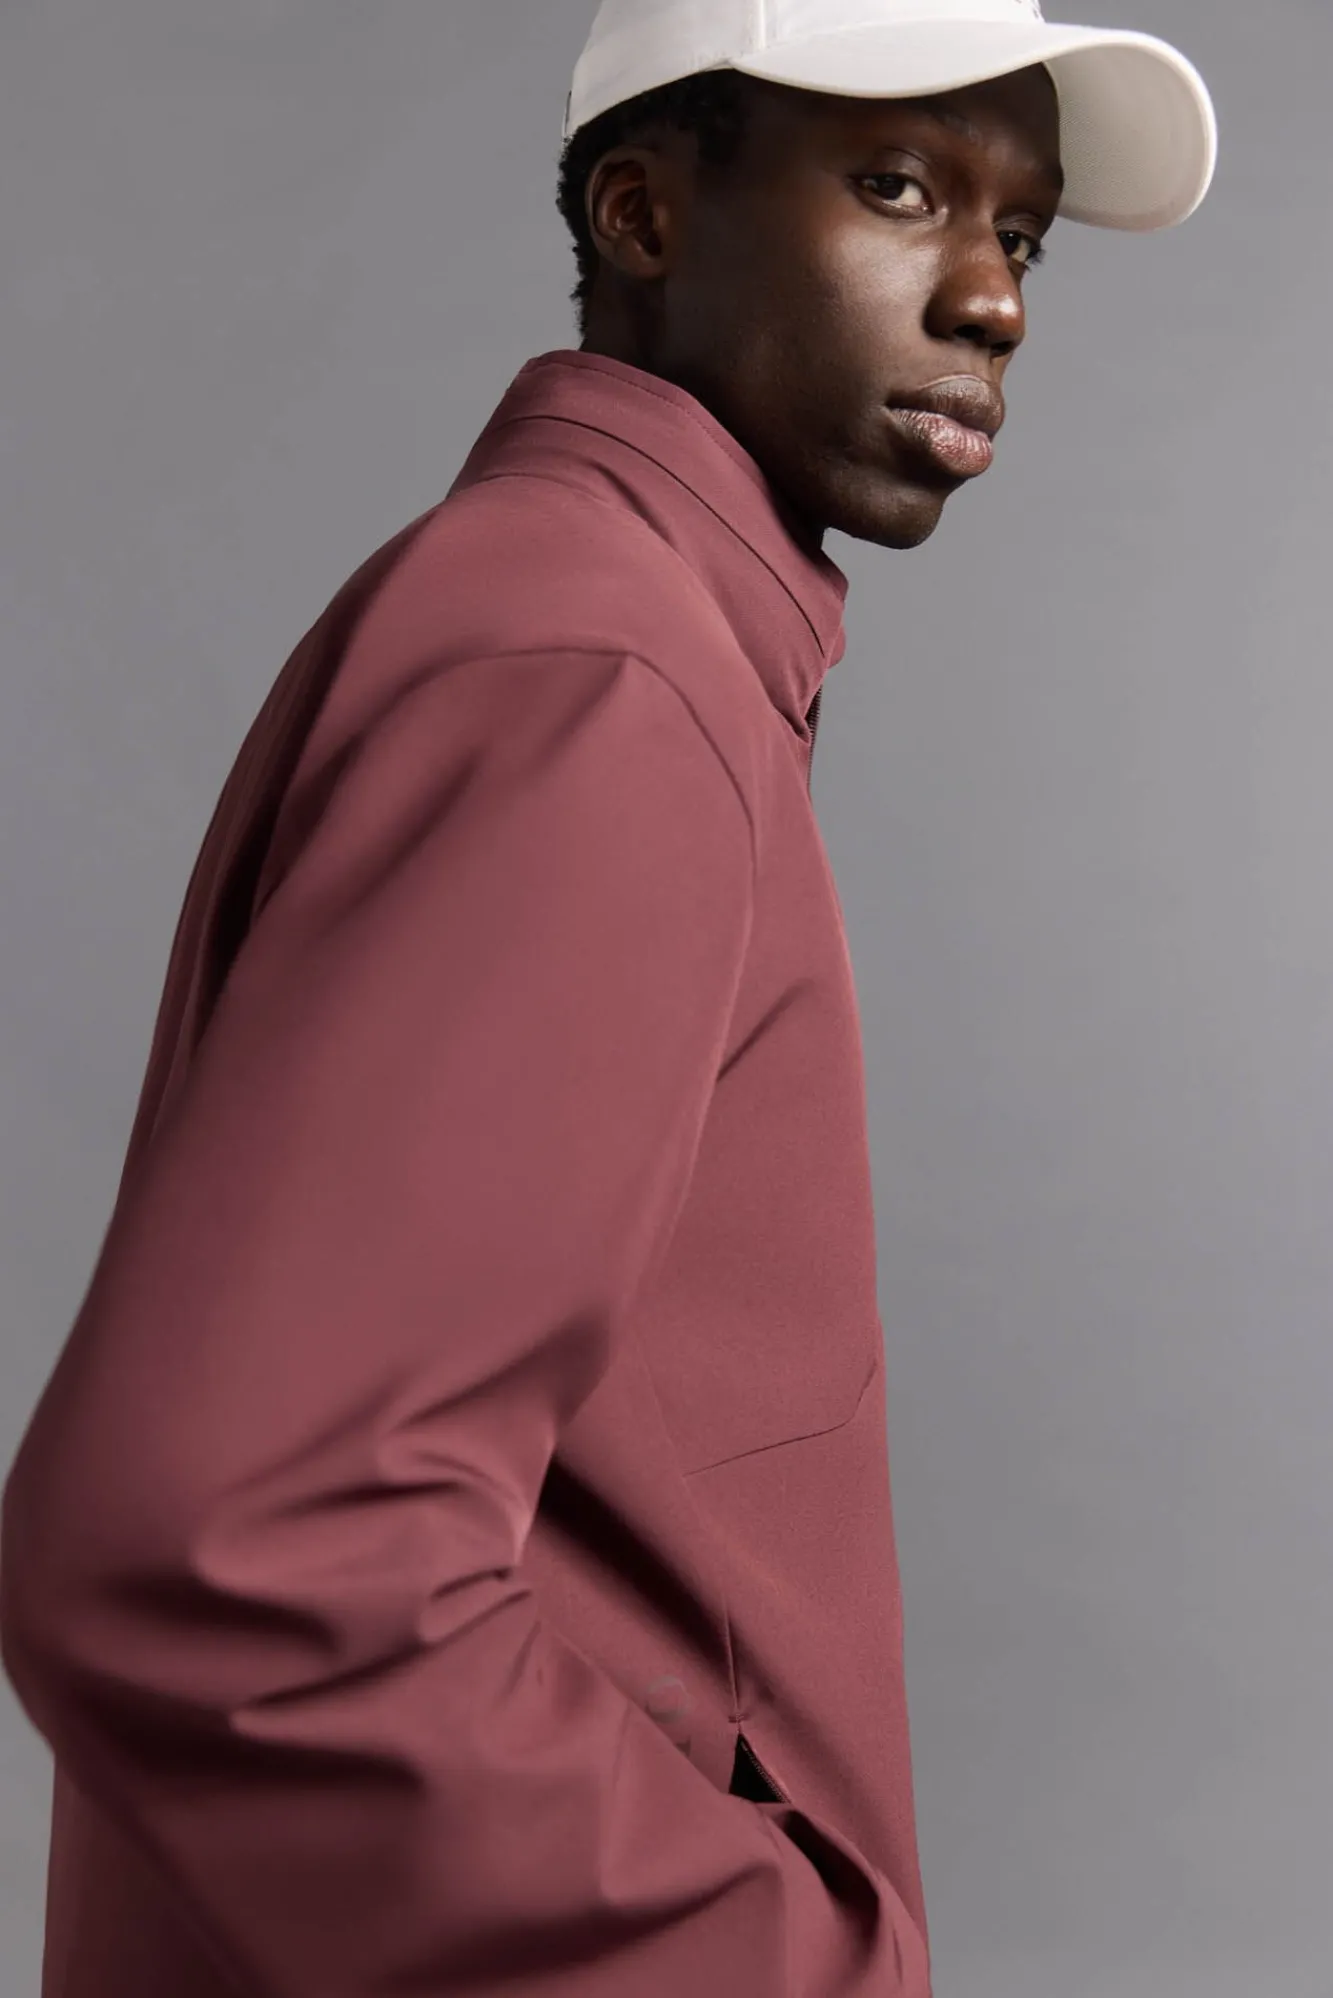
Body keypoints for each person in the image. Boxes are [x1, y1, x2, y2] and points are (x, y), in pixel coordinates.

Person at [0, 3, 1215, 1994]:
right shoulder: (600, 670)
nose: (994, 296)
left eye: (1024, 231)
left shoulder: (594, 629)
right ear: (643, 215)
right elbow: (219, 1556)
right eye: (900, 186)